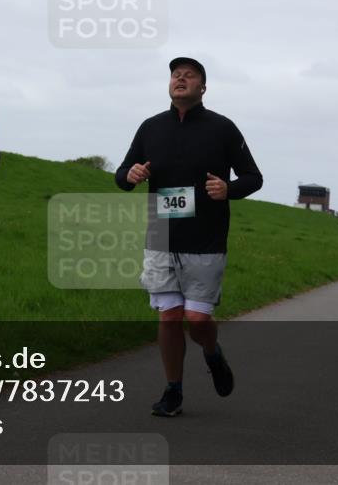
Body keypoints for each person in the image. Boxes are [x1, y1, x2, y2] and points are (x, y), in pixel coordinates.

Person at [115, 57, 263, 418]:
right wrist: (130, 175)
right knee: (169, 318)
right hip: (161, 235)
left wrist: (228, 189)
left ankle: (212, 353)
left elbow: (253, 177)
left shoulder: (223, 128)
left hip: (206, 238)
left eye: (189, 75)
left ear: (202, 88)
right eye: (175, 74)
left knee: (196, 321)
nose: (180, 78)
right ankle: (173, 390)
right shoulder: (151, 127)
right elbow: (122, 174)